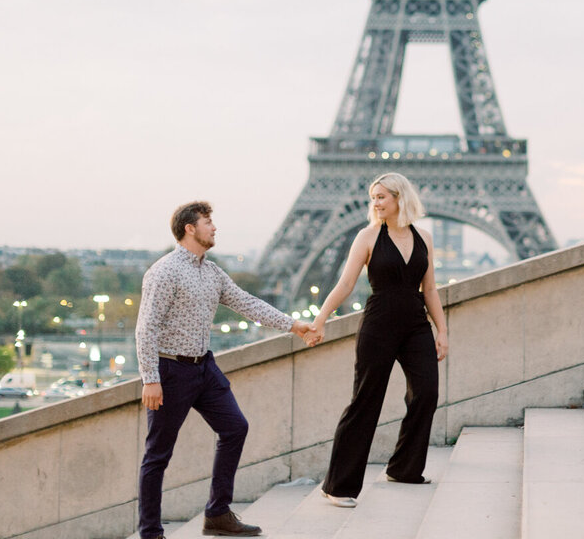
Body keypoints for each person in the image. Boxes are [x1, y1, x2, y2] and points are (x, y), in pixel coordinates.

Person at [135, 201, 319, 539]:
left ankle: (217, 513)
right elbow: (146, 327)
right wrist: (151, 378)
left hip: (204, 368)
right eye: (207, 221)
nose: (214, 227)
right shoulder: (164, 271)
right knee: (157, 455)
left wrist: (294, 326)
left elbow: (247, 303)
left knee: (235, 428)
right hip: (171, 371)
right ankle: (150, 532)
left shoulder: (212, 271)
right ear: (189, 228)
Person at [309, 172, 449, 508]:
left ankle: (404, 468)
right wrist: (319, 320)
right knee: (365, 401)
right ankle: (337, 486)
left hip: (416, 324)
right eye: (373, 197)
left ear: (400, 197)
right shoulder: (368, 236)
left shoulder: (424, 237)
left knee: (426, 393)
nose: (375, 203)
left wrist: (442, 331)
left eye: (381, 197)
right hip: (379, 324)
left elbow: (429, 288)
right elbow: (344, 285)